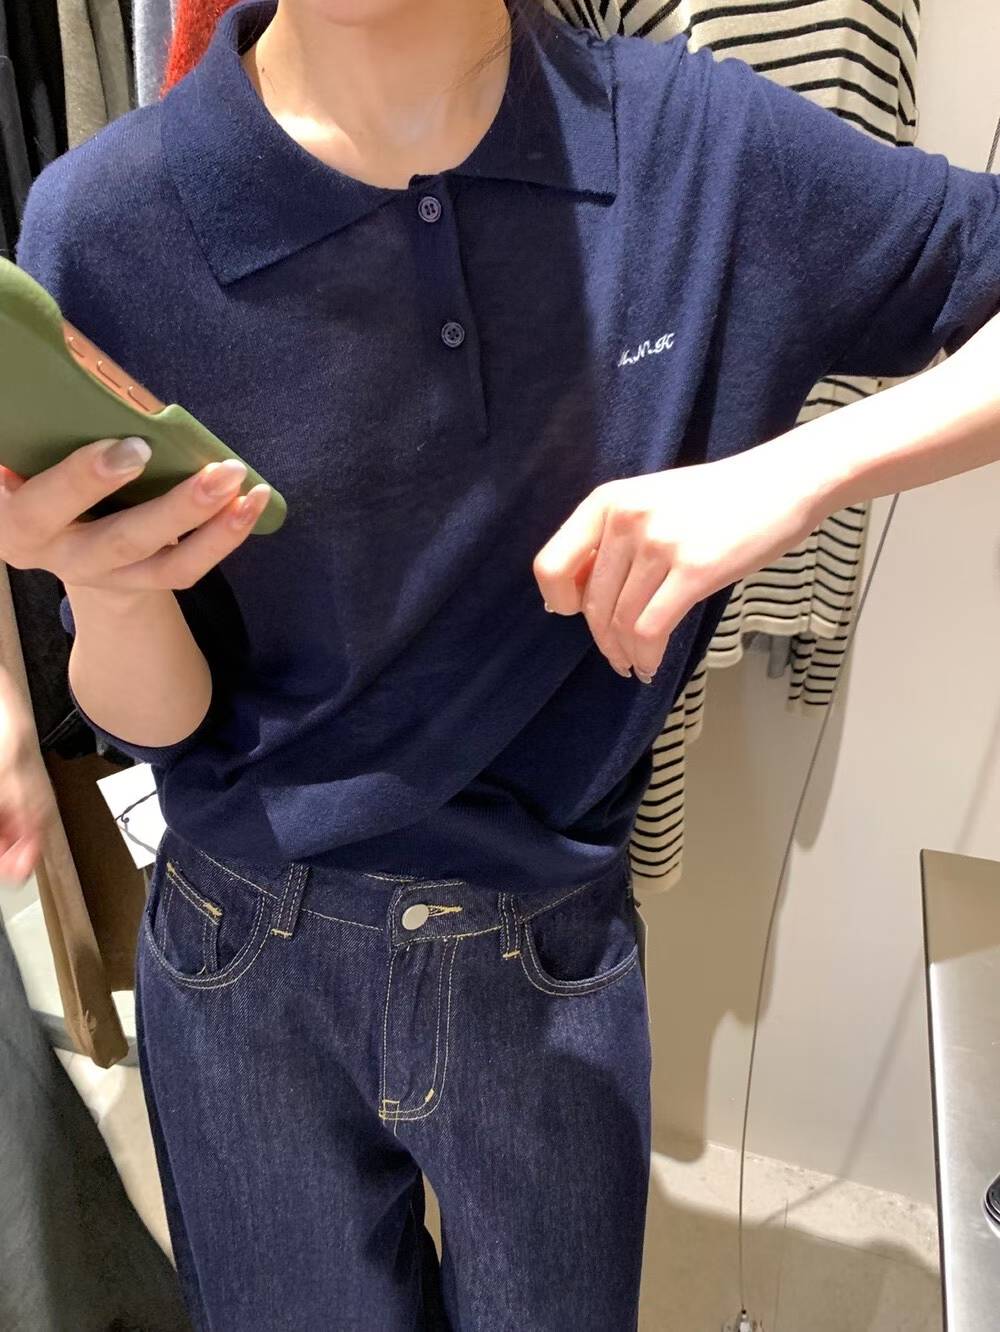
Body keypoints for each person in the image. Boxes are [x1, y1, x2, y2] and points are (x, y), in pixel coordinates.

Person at [3, 0, 1000, 1326]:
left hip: (550, 942)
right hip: (244, 952)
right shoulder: (108, 222)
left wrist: (794, 473)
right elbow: (162, 723)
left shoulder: (696, 149)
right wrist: (105, 585)